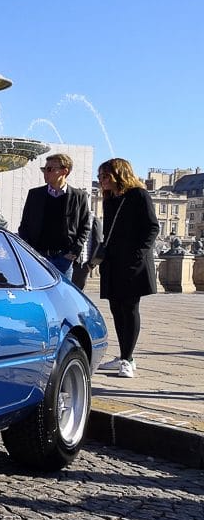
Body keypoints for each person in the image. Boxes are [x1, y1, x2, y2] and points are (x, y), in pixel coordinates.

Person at [96, 158, 160, 379]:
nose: (101, 181)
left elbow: (152, 227)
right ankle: (124, 355)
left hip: (133, 262)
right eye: (100, 177)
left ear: (119, 174)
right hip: (113, 262)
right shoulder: (109, 199)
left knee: (130, 308)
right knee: (116, 309)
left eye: (105, 176)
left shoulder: (139, 195)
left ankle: (127, 359)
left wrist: (139, 254)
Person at [17, 153, 92, 279]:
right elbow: (25, 225)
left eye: (50, 169)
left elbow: (85, 226)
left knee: (61, 295)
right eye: (44, 169)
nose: (45, 173)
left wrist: (74, 251)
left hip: (63, 258)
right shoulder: (35, 194)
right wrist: (28, 251)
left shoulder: (79, 196)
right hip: (37, 256)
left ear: (64, 171)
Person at [71, 212, 103, 291]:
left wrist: (90, 265)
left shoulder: (93, 219)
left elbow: (98, 244)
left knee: (77, 294)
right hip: (68, 261)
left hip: (82, 265)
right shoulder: (72, 214)